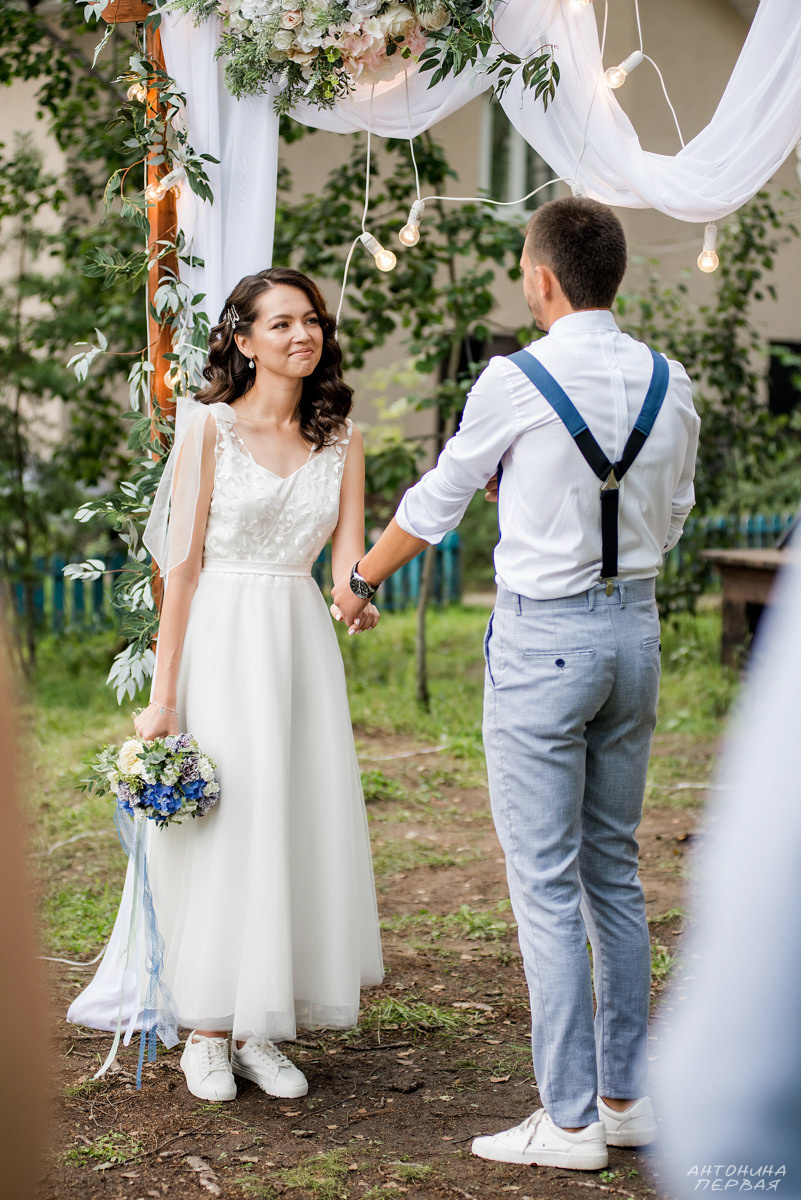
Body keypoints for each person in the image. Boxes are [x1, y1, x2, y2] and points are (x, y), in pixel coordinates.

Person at [333, 197, 700, 1170]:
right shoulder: (674, 380)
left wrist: (363, 578)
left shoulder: (513, 378)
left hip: (546, 644)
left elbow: (438, 500)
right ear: (612, 276)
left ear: (542, 279)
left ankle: (569, 1121)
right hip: (636, 633)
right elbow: (671, 506)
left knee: (543, 884)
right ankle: (625, 1101)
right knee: (613, 875)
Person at [68, 267, 384, 1103]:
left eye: (310, 321)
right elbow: (179, 568)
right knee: (224, 822)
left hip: (296, 643)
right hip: (218, 637)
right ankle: (204, 1027)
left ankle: (259, 1026)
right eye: (279, 324)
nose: (301, 336)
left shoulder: (343, 437)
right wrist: (164, 695)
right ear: (242, 341)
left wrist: (359, 597)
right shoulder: (206, 427)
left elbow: (348, 561)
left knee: (288, 817)